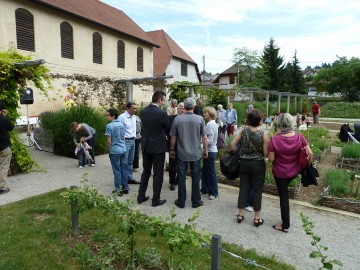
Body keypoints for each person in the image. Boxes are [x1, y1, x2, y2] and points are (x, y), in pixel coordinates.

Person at [268, 113, 313, 233]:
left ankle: (285, 225)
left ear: (279, 124)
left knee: (284, 197)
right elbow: (310, 153)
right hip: (295, 171)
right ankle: (285, 223)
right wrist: (305, 166)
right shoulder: (299, 136)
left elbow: (271, 159)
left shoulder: (274, 139)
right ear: (290, 123)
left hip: (280, 173)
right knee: (285, 195)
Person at [230, 109, 268, 227]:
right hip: (257, 164)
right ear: (259, 121)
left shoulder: (243, 131)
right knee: (257, 189)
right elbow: (266, 152)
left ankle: (240, 214)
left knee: (243, 188)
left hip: (244, 163)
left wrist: (240, 153)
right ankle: (257, 218)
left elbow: (232, 145)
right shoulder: (263, 134)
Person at [170, 97, 208, 208]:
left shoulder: (178, 119)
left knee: (181, 177)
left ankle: (181, 201)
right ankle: (196, 201)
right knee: (196, 177)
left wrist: (172, 149)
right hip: (195, 154)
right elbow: (204, 137)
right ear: (194, 106)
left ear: (184, 107)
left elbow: (173, 136)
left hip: (182, 153)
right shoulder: (200, 119)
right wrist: (205, 150)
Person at [137, 91, 171, 207]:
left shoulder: (143, 112)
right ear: (160, 100)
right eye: (164, 100)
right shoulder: (162, 113)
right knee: (158, 174)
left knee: (146, 172)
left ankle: (141, 196)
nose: (164, 103)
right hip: (157, 147)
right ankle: (155, 199)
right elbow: (168, 129)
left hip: (146, 145)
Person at [105, 108, 128, 195]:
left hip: (115, 151)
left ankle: (119, 190)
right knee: (124, 169)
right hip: (123, 149)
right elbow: (123, 137)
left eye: (107, 115)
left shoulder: (109, 126)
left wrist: (109, 151)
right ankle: (125, 188)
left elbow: (109, 141)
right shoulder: (122, 125)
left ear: (113, 116)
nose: (106, 117)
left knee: (117, 170)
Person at [118, 102, 140, 184]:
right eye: (133, 108)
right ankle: (123, 180)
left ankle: (129, 178)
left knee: (131, 161)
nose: (135, 110)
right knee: (124, 161)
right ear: (127, 108)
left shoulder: (134, 117)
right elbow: (119, 130)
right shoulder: (122, 117)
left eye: (135, 108)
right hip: (125, 141)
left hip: (133, 140)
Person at [200, 106, 219, 200]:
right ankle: (205, 189)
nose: (204, 114)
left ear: (210, 114)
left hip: (210, 151)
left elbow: (210, 140)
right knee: (205, 171)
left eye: (206, 112)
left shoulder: (210, 125)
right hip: (211, 150)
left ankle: (214, 192)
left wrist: (202, 143)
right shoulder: (212, 124)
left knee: (211, 172)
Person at [167, 102, 185, 191]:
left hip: (184, 146)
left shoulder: (188, 119)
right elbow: (168, 132)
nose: (182, 109)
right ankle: (172, 182)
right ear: (176, 109)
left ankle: (179, 180)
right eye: (180, 108)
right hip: (173, 146)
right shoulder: (171, 118)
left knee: (182, 164)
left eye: (183, 108)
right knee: (172, 164)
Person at [0, 101, 14, 195]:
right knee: (3, 167)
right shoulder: (4, 119)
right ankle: (2, 187)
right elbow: (11, 127)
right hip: (4, 147)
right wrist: (4, 116)